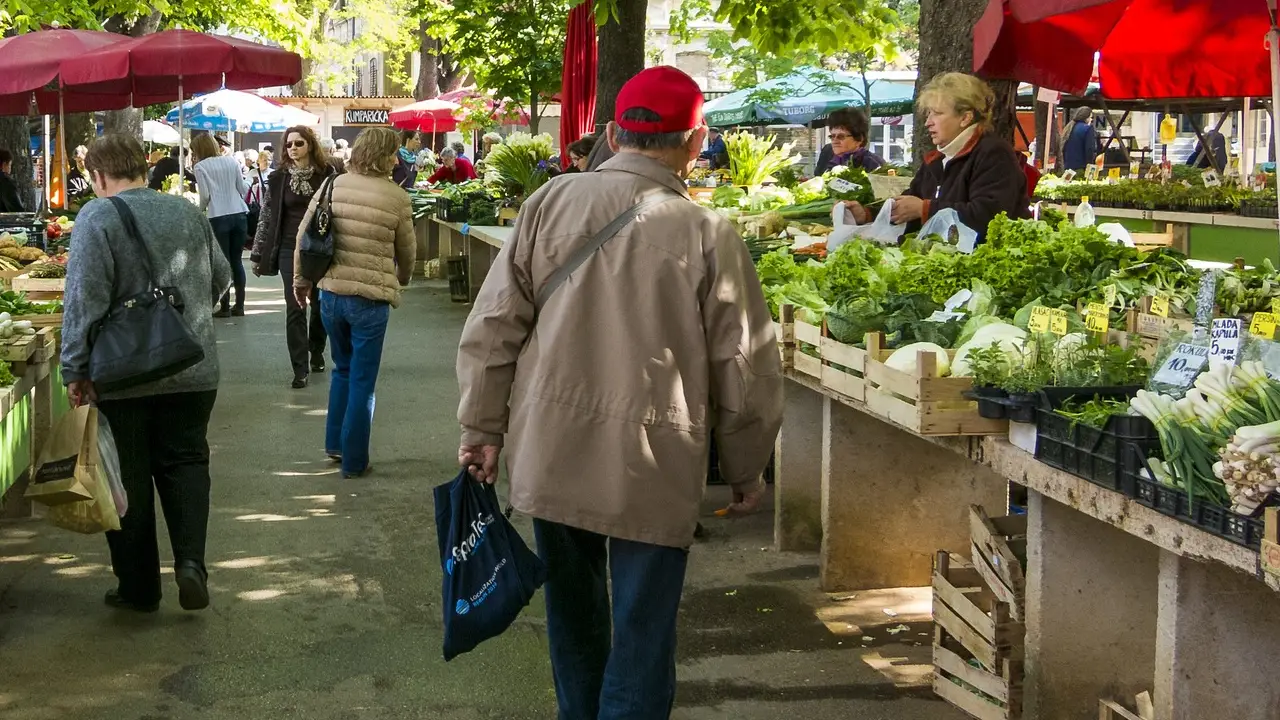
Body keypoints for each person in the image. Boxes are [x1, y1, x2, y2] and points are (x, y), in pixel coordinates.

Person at [456, 65, 783, 719]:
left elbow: (492, 330)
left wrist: (482, 428)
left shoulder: (548, 205)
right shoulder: (708, 233)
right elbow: (744, 363)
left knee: (573, 625)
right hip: (654, 461)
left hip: (551, 449)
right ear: (696, 142)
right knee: (642, 639)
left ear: (611, 132)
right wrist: (747, 467)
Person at [61, 133, 232, 613]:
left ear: (97, 175)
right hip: (193, 365)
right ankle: (192, 565)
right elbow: (221, 277)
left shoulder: (97, 216)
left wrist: (74, 367)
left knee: (127, 476)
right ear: (142, 166)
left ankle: (139, 587)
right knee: (186, 463)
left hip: (123, 373)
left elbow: (84, 299)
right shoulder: (186, 211)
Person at [291, 128, 415, 479]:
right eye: (392, 154)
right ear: (383, 156)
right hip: (370, 299)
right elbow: (406, 250)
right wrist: (402, 278)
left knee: (342, 370)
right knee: (363, 379)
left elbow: (305, 234)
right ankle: (355, 460)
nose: (395, 160)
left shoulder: (333, 185)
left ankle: (335, 444)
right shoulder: (396, 197)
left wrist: (301, 281)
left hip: (330, 295)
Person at [843, 72, 1031, 242]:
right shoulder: (939, 158)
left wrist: (925, 209)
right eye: (929, 114)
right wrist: (867, 214)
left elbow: (988, 215)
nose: (928, 122)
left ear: (965, 118)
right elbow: (909, 201)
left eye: (937, 114)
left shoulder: (994, 154)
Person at [250, 125, 333, 389]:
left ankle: (316, 349)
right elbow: (266, 215)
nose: (293, 148)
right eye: (289, 145)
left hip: (319, 247)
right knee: (295, 305)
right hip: (288, 248)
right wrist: (257, 251)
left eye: (298, 143)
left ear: (310, 145)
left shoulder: (327, 175)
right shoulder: (279, 177)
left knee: (319, 304)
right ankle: (300, 368)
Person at [191, 133, 250, 317]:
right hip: (239, 214)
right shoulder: (232, 162)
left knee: (222, 263)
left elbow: (205, 196)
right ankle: (239, 305)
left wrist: (198, 211)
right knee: (237, 260)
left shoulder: (200, 167)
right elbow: (242, 189)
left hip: (218, 216)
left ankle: (225, 306)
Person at [823, 108, 884, 173]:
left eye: (841, 136)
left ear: (859, 139)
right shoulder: (830, 159)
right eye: (832, 136)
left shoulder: (873, 163)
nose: (834, 141)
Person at [1061, 107, 1100, 172]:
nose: (1091, 120)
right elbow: (1089, 149)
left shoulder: (1069, 128)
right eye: (1090, 117)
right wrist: (1090, 166)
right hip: (1081, 167)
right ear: (1086, 117)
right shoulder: (1088, 128)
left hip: (1068, 167)